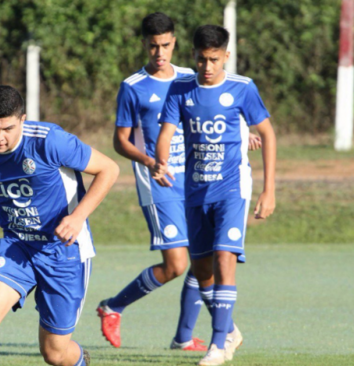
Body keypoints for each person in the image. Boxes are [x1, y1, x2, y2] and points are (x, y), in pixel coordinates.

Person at [96, 13, 261, 352]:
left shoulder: (190, 77)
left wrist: (243, 136)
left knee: (203, 256)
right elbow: (119, 141)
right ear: (145, 45)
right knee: (177, 264)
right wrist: (149, 161)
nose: (160, 53)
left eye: (166, 45)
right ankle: (114, 306)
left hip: (199, 179)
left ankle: (184, 337)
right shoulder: (133, 87)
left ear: (175, 44)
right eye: (154, 46)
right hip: (159, 184)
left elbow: (214, 118)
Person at [0, 85, 119, 366]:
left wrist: (77, 218)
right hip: (17, 246)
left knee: (54, 354)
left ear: (23, 120)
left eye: (8, 128)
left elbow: (109, 169)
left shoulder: (50, 141)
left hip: (64, 251)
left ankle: (80, 360)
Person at [152, 25, 276, 366]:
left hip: (232, 188)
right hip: (195, 190)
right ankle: (230, 330)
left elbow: (267, 133)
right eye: (202, 60)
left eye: (214, 60)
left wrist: (269, 189)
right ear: (192, 56)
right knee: (202, 270)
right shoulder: (179, 89)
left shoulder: (242, 88)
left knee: (225, 260)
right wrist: (160, 163)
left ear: (226, 57)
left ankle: (218, 345)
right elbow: (166, 133)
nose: (207, 67)